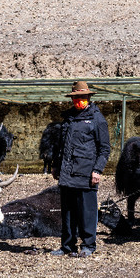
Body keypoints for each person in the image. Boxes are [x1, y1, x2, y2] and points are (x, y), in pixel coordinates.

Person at [51, 81, 111, 257]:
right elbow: (61, 146)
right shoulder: (68, 118)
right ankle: (67, 246)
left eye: (82, 98)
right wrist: (56, 165)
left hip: (86, 173)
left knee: (87, 211)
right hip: (67, 173)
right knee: (68, 212)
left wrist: (97, 170)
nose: (79, 101)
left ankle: (88, 245)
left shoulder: (97, 119)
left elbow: (104, 149)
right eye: (76, 98)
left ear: (88, 98)